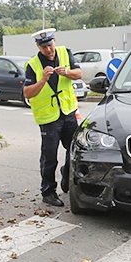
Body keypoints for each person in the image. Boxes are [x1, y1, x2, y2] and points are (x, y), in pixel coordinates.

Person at [23, 28, 83, 208]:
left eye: (50, 45)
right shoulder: (32, 65)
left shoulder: (65, 52)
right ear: (37, 46)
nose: (48, 50)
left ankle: (67, 174)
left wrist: (66, 72)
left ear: (54, 41)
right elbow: (27, 93)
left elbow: (79, 74)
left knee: (74, 150)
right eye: (43, 47)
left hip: (68, 113)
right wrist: (42, 80)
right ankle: (48, 192)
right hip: (48, 118)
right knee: (49, 157)